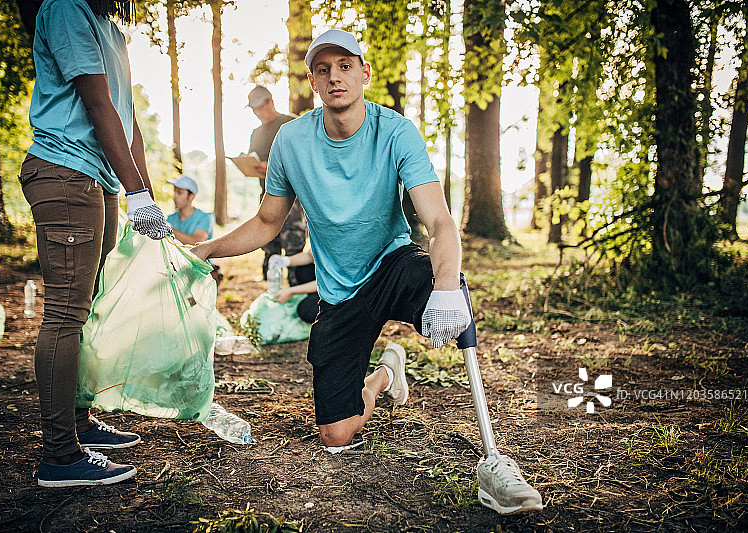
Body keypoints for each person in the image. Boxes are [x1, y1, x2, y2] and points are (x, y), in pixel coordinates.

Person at [194, 29, 541, 512]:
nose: (335, 76)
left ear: (364, 73)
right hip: (340, 293)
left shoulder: (396, 131)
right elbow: (267, 222)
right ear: (313, 82)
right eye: (323, 69)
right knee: (336, 436)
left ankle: (495, 462)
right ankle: (383, 375)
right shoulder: (292, 141)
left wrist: (443, 288)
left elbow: (439, 221)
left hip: (393, 263)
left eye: (345, 65)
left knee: (453, 291)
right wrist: (206, 249)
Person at [20, 0, 171, 487]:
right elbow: (96, 103)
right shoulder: (67, 8)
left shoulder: (112, 29)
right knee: (65, 311)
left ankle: (81, 423)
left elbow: (128, 124)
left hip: (99, 179)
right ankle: (60, 456)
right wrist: (136, 192)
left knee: (87, 308)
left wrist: (144, 194)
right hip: (65, 172)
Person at [246, 86, 308, 283]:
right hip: (266, 195)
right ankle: (271, 293)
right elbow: (253, 159)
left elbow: (304, 158)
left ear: (270, 102)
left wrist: (273, 167)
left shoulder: (291, 123)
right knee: (268, 244)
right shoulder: (256, 133)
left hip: (292, 198)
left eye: (260, 108)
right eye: (254, 109)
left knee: (293, 245)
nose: (257, 113)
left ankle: (295, 291)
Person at [268, 250, 318, 324]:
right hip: (324, 284)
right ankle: (313, 296)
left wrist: (290, 291)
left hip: (337, 292)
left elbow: (328, 283)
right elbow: (310, 255)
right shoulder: (324, 240)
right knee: (304, 269)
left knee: (306, 310)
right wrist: (284, 261)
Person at [166, 175, 214, 244]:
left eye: (179, 193)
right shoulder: (171, 218)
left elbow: (197, 242)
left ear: (191, 196)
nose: (174, 197)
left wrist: (168, 229)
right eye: (174, 191)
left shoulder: (205, 217)